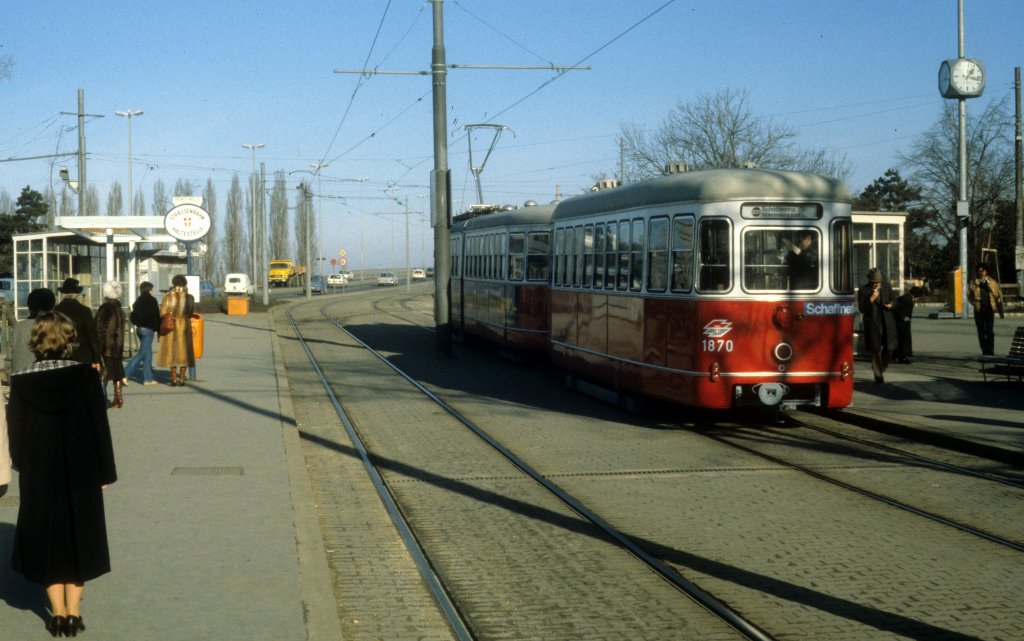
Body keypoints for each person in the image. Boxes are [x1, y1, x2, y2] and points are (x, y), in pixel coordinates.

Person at [7, 311, 117, 638]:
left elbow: (17, 434)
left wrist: (25, 465)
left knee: (48, 537)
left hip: (40, 471)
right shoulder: (86, 378)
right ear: (69, 339)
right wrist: (104, 473)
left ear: (37, 341)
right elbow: (100, 428)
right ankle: (74, 611)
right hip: (82, 468)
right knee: (80, 535)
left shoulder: (22, 381)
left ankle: (56, 613)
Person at [858, 267, 898, 383]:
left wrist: (892, 304)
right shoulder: (863, 290)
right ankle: (878, 375)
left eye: (879, 282)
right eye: (875, 282)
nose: (877, 284)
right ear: (870, 281)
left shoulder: (886, 286)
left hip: (887, 322)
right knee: (875, 350)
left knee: (890, 348)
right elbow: (862, 308)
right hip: (873, 323)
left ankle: (880, 367)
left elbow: (894, 299)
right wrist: (871, 298)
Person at [54, 278, 102, 370]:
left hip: (60, 355)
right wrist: (97, 359)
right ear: (77, 294)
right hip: (83, 355)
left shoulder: (56, 310)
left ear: (63, 293)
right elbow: (92, 336)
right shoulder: (85, 310)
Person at [157, 274, 195, 387]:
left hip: (171, 328)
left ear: (173, 283)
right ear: (185, 284)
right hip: (184, 327)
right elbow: (191, 312)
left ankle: (173, 379)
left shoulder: (168, 297)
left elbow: (162, 312)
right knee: (185, 352)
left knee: (171, 352)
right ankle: (182, 379)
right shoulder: (189, 297)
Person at [95, 280, 128, 409]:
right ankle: (118, 398)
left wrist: (98, 345)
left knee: (104, 373)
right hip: (118, 346)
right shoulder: (119, 308)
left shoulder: (105, 308)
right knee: (117, 371)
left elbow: (99, 327)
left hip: (106, 345)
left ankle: (103, 399)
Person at [123, 281, 161, 385]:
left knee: (147, 354)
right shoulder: (152, 301)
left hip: (139, 329)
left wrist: (136, 323)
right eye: (152, 289)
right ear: (149, 290)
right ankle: (125, 374)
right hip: (148, 330)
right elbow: (155, 316)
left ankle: (148, 379)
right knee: (142, 353)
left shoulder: (138, 301)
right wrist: (158, 328)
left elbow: (132, 315)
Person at [11, 287, 57, 373]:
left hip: (21, 379)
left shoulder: (19, 327)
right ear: (51, 306)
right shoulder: (55, 326)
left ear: (29, 307)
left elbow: (9, 359)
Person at [968, 262, 1005, 356]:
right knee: (981, 332)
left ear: (986, 271)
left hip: (989, 310)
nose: (980, 273)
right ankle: (984, 350)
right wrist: (974, 303)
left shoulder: (993, 283)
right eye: (978, 271)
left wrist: (1001, 311)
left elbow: (998, 297)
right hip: (979, 311)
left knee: (989, 331)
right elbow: (970, 296)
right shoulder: (973, 283)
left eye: (982, 271)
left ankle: (991, 350)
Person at [893, 286, 924, 364]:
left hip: (903, 322)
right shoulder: (906, 299)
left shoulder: (906, 298)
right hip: (901, 322)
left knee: (902, 339)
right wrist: (903, 317)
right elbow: (896, 309)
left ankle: (899, 356)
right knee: (902, 339)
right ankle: (900, 357)